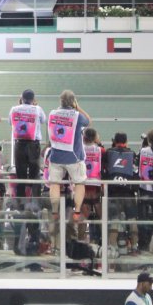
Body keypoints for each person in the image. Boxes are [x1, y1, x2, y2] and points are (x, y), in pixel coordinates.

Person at [47, 90, 91, 222]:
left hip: (55, 156)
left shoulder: (52, 113)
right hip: (74, 157)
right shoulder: (77, 116)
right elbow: (89, 121)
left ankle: (55, 211)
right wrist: (78, 107)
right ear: (73, 102)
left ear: (60, 101)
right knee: (79, 183)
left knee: (54, 184)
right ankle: (77, 211)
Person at [104, 132, 138, 255]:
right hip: (128, 192)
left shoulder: (108, 153)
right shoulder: (132, 153)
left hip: (113, 192)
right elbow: (136, 173)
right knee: (132, 220)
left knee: (114, 220)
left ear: (114, 141)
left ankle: (112, 248)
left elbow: (104, 170)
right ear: (126, 141)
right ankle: (134, 247)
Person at [8, 89, 45, 199]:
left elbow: (10, 122)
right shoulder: (37, 109)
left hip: (19, 144)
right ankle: (35, 201)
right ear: (33, 99)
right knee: (35, 173)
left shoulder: (14, 109)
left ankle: (20, 201)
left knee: (20, 173)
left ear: (22, 98)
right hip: (33, 145)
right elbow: (43, 120)